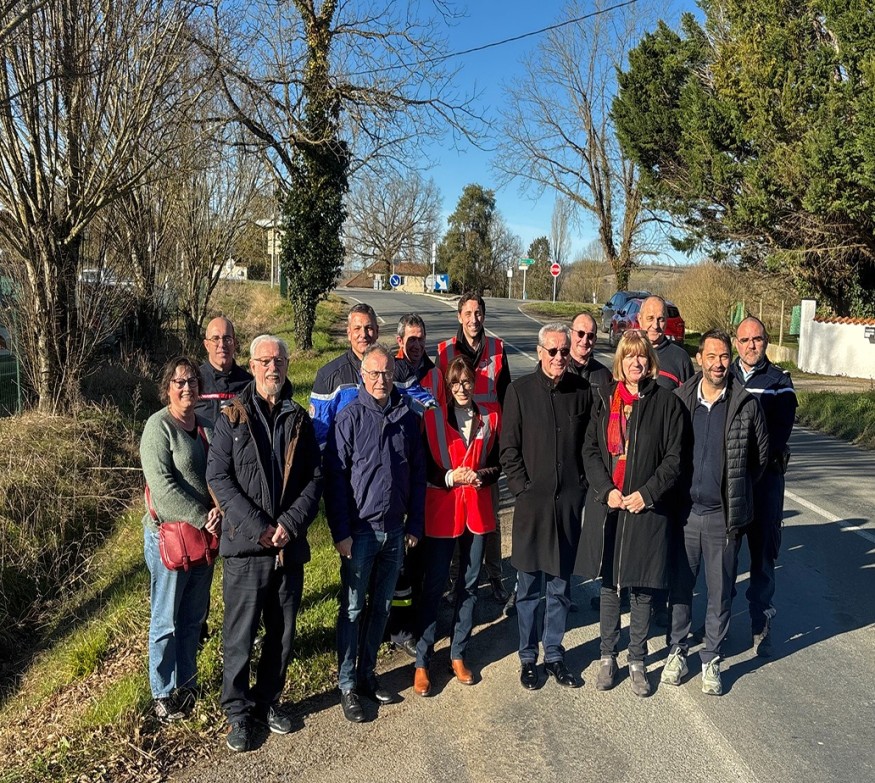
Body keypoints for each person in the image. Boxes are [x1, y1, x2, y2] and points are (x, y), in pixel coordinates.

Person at [207, 335, 322, 752]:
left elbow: (314, 478)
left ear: (287, 366)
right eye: (266, 361)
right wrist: (259, 527)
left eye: (280, 361)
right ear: (253, 366)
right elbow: (218, 477)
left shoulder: (299, 418)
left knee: (282, 633)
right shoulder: (232, 416)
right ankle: (237, 713)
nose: (274, 367)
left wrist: (289, 525)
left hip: (287, 546)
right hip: (246, 547)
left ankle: (267, 701)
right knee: (239, 635)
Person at [575, 332, 685, 697]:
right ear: (620, 362)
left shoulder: (666, 403)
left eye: (641, 356)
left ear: (650, 361)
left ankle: (637, 659)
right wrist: (606, 489)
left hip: (646, 507)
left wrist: (647, 494)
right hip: (611, 505)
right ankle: (608, 656)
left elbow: (674, 458)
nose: (635, 362)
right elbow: (591, 450)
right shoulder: (606, 399)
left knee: (642, 587)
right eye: (629, 356)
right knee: (610, 584)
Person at [662, 329, 768, 696]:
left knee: (720, 593)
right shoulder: (680, 400)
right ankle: (677, 651)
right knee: (680, 588)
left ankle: (711, 658)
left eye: (724, 357)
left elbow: (758, 460)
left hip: (723, 517)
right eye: (711, 356)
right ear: (699, 359)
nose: (718, 364)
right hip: (685, 514)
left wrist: (733, 493)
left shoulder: (745, 404)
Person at [324, 343, 426, 723]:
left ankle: (367, 675)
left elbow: (417, 474)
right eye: (374, 373)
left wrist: (414, 524)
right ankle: (347, 683)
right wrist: (341, 532)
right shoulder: (349, 418)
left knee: (382, 607)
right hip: (360, 532)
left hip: (395, 531)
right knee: (353, 609)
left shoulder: (406, 417)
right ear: (363, 377)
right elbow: (335, 479)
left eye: (386, 373)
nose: (381, 379)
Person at [500, 323, 591, 690]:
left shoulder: (581, 391)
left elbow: (589, 446)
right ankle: (527, 657)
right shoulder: (519, 391)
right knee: (528, 589)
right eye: (552, 351)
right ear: (540, 353)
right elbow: (508, 449)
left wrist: (581, 488)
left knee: (560, 587)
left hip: (567, 506)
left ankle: (554, 654)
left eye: (564, 351)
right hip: (532, 507)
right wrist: (522, 489)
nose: (559, 357)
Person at [413, 356, 501, 696]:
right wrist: (450, 476)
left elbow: (497, 463)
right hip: (443, 513)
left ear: (474, 384)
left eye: (466, 382)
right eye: (455, 383)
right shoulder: (432, 418)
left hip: (476, 513)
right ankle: (422, 661)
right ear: (448, 388)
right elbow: (422, 466)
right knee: (434, 586)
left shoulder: (490, 418)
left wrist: (480, 476)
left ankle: (458, 653)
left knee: (469, 585)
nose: (462, 389)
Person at [140, 356, 221, 722]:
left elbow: (221, 475)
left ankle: (187, 684)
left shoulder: (206, 426)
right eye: (179, 382)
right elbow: (162, 489)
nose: (187, 387)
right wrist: (204, 516)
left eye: (192, 381)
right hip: (170, 540)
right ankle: (162, 692)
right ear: (168, 388)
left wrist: (221, 512)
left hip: (204, 540)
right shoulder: (158, 428)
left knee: (192, 618)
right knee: (166, 621)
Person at [436, 292, 511, 604]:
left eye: (478, 313)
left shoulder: (497, 349)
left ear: (484, 315)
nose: (473, 319)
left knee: (490, 517)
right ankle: (456, 580)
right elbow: (440, 399)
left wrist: (506, 442)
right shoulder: (445, 351)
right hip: (456, 443)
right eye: (467, 313)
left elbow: (506, 396)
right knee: (456, 516)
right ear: (459, 317)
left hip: (488, 441)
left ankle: (495, 577)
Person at [730, 316, 797, 656]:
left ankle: (761, 624)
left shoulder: (779, 382)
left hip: (765, 483)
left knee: (763, 557)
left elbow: (778, 435)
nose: (750, 346)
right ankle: (717, 623)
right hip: (730, 484)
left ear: (766, 341)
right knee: (725, 558)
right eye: (744, 340)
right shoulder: (724, 375)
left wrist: (751, 464)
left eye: (756, 339)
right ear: (735, 343)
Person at [309, 303, 379, 448]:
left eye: (369, 328)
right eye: (357, 328)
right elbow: (319, 434)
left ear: (377, 331)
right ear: (349, 333)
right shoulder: (328, 375)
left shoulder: (391, 371)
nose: (363, 334)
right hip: (345, 460)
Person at [196, 316, 252, 425]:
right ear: (206, 345)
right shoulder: (194, 381)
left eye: (227, 339)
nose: (222, 345)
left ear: (235, 343)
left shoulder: (249, 384)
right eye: (215, 338)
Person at [638, 296, 694, 390]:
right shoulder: (628, 354)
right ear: (640, 319)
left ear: (666, 321)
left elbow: (689, 396)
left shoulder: (680, 358)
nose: (655, 325)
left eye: (660, 319)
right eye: (650, 318)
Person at [567, 311, 612, 387]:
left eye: (590, 336)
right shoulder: (557, 369)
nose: (585, 341)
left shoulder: (605, 376)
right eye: (580, 334)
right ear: (570, 334)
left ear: (595, 339)